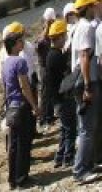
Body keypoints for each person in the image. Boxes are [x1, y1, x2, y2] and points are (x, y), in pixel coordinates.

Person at [71, 0, 101, 184]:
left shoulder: (80, 26)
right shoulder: (86, 27)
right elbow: (84, 57)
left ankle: (87, 164)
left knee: (87, 126)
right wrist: (89, 86)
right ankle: (80, 170)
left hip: (82, 81)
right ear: (89, 7)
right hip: (85, 82)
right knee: (87, 128)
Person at [1, 30, 37, 189]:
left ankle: (12, 179)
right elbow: (24, 86)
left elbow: (6, 86)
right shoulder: (20, 61)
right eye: (20, 41)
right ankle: (22, 178)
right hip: (22, 106)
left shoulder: (6, 62)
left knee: (14, 145)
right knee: (24, 144)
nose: (23, 43)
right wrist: (35, 106)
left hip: (12, 107)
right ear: (14, 45)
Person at [45, 19, 75, 168]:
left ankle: (59, 157)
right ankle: (68, 158)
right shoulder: (57, 56)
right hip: (63, 99)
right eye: (65, 36)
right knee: (70, 129)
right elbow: (68, 71)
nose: (66, 39)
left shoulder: (52, 54)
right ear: (61, 36)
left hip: (57, 99)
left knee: (64, 130)